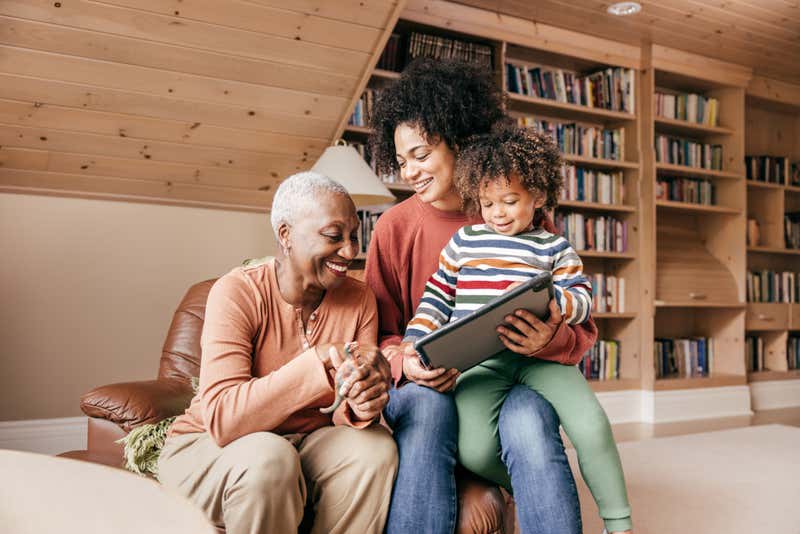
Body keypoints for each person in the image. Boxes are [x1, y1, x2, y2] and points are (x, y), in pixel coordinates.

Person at [367, 58, 597, 534]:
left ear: (460, 139)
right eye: (402, 159)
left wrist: (546, 342)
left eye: (422, 154)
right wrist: (404, 361)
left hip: (511, 376)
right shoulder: (394, 227)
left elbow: (578, 324)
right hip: (425, 386)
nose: (409, 170)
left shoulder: (517, 212)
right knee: (428, 411)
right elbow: (375, 334)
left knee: (528, 417)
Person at [403, 124, 633, 533]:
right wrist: (417, 339)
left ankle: (619, 523)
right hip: (482, 364)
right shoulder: (463, 243)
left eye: (510, 201)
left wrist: (556, 305)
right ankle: (531, 491)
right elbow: (436, 298)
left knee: (592, 425)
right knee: (473, 449)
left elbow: (582, 297)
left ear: (538, 196)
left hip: (541, 360)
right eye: (488, 203)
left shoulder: (553, 246)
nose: (498, 213)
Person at [158, 172, 398, 534]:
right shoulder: (237, 292)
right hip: (209, 447)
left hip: (306, 445)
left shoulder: (359, 298)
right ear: (286, 235)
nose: (350, 252)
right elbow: (223, 419)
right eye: (334, 236)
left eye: (354, 237)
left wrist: (363, 400)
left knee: (375, 450)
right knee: (270, 458)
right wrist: (316, 362)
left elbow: (347, 412)